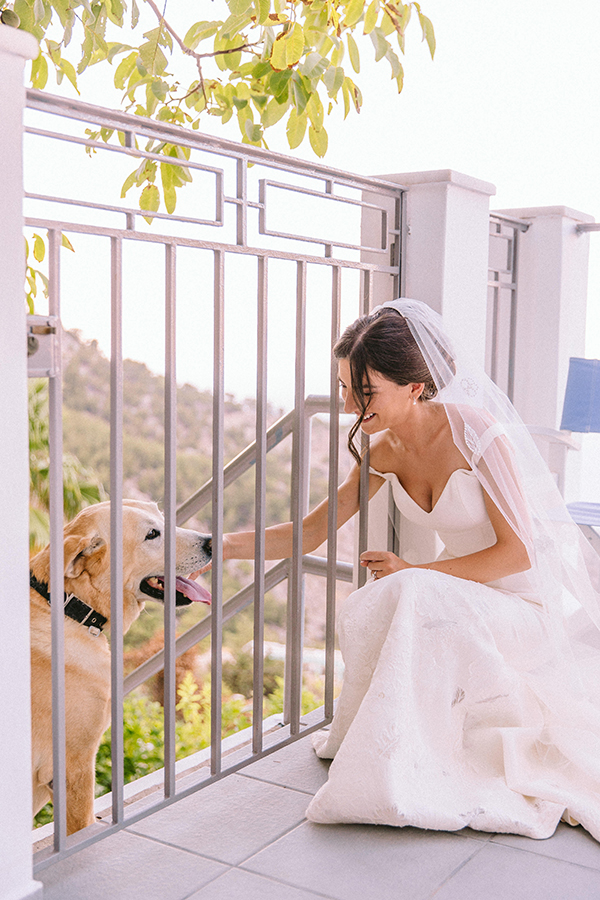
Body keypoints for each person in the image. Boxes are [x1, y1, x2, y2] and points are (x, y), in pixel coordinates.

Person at [212, 298, 600, 841]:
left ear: (415, 387)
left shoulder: (477, 432)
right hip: (460, 598)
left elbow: (519, 554)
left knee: (412, 589)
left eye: (362, 390)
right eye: (345, 387)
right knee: (374, 600)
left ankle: (412, 759)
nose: (349, 405)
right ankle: (397, 748)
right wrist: (212, 547)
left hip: (523, 609)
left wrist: (418, 571)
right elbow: (309, 532)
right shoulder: (381, 450)